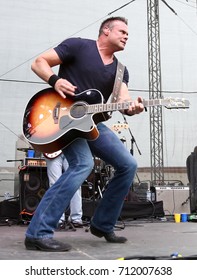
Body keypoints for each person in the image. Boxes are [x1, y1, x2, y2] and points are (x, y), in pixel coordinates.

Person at [24, 16, 144, 251]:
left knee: (128, 165)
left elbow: (123, 101)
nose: (126, 36)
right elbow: (39, 62)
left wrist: (133, 107)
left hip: (93, 124)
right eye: (122, 31)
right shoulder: (78, 46)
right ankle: (38, 233)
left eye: (128, 34)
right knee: (82, 165)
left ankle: (102, 224)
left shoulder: (121, 70)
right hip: (63, 122)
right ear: (106, 31)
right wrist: (55, 80)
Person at [44, 152, 83, 228]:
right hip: (53, 149)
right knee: (55, 185)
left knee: (75, 183)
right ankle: (59, 219)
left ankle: (76, 218)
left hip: (70, 147)